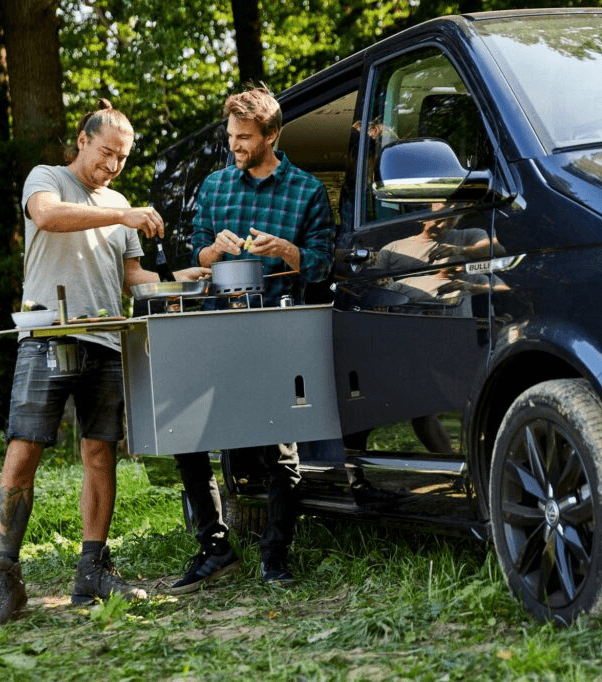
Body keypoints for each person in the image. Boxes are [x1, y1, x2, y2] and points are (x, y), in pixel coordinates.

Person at [0, 99, 208, 628]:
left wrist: (181, 280)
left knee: (100, 454)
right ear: (83, 140)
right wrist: (121, 212)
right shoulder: (49, 179)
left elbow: (132, 275)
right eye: (107, 152)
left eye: (122, 158)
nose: (113, 166)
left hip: (107, 338)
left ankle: (93, 572)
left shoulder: (119, 202)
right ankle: (6, 576)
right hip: (46, 334)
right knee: (23, 450)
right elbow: (47, 217)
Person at [168, 85, 334, 593]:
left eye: (244, 137)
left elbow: (325, 264)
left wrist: (287, 249)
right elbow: (193, 257)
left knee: (279, 445)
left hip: (275, 326)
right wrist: (210, 254)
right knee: (189, 434)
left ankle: (275, 555)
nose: (235, 145)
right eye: (231, 136)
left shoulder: (306, 191)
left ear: (272, 136)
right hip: (217, 325)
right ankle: (215, 549)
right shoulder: (216, 187)